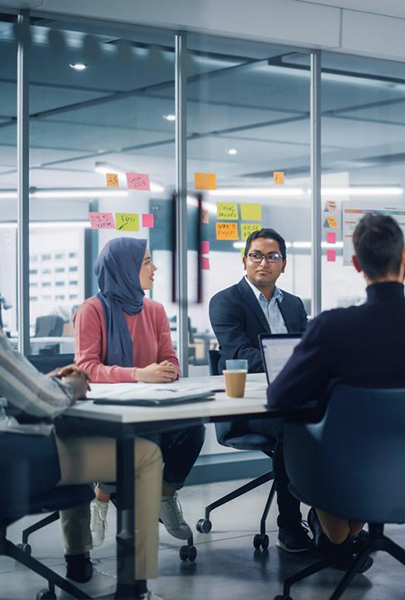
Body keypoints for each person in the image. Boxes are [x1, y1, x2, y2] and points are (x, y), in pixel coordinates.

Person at [268, 214, 405, 566]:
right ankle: (347, 536)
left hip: (347, 476)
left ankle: (339, 537)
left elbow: (279, 399)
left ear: (358, 264)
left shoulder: (332, 327)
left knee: (305, 432)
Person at [0, 335, 165, 599]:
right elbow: (44, 401)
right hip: (8, 463)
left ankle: (81, 570)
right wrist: (70, 387)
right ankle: (134, 588)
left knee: (71, 439)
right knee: (145, 455)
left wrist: (47, 382)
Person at [74, 237, 203, 548]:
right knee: (129, 439)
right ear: (124, 268)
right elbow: (86, 368)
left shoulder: (155, 310)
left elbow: (169, 357)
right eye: (147, 262)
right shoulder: (91, 311)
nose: (154, 267)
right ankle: (101, 500)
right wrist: (138, 374)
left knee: (194, 429)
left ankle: (165, 496)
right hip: (107, 414)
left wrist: (169, 370)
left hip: (152, 407)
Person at [208, 227, 310, 552]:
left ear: (284, 264)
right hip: (249, 408)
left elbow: (310, 350)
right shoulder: (226, 301)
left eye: (272, 256)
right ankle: (290, 524)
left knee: (334, 416)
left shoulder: (293, 305)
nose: (263, 262)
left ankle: (331, 518)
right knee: (293, 426)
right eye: (256, 255)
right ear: (245, 260)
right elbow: (240, 354)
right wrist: (294, 360)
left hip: (294, 397)